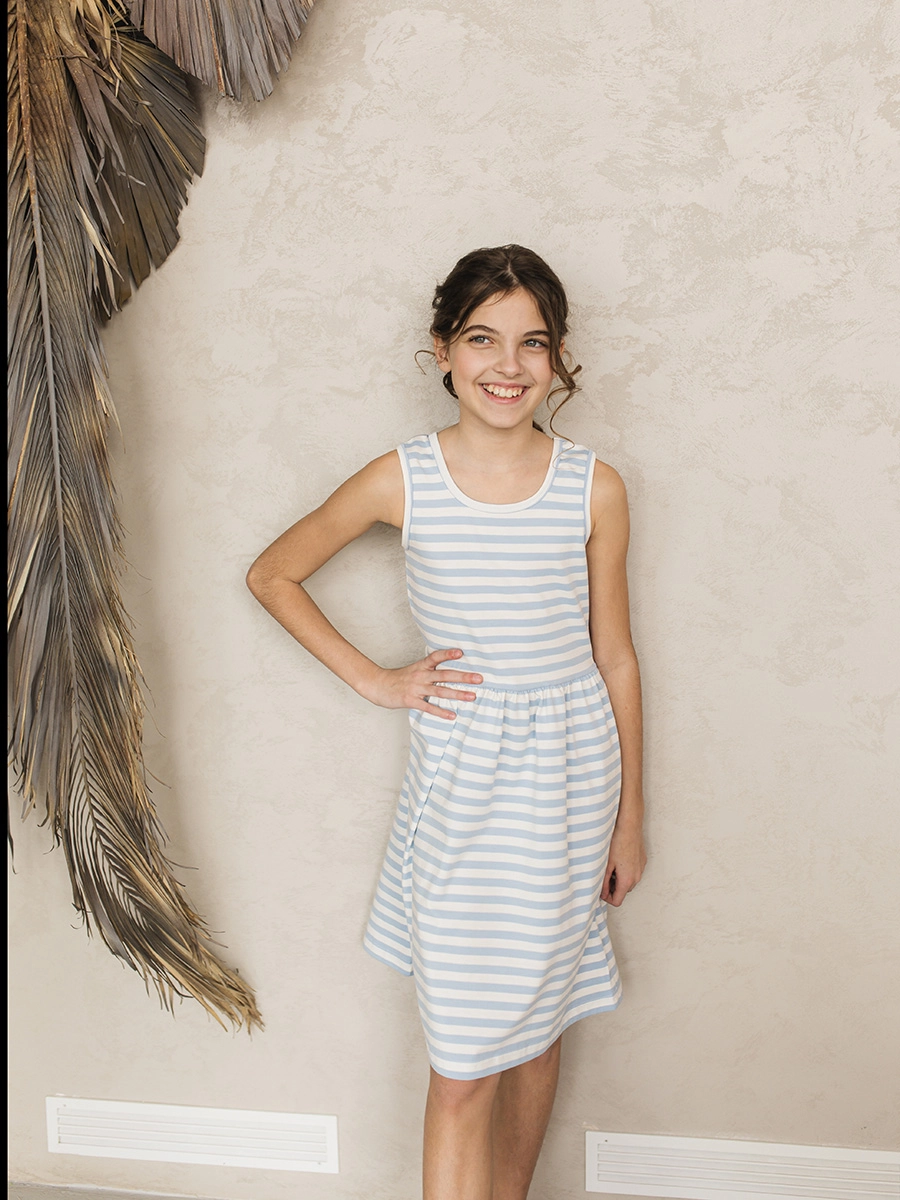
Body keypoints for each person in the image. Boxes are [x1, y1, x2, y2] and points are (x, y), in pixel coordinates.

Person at [247, 244, 646, 1200]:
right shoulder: (405, 478)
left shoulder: (594, 486)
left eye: (533, 343)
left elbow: (618, 658)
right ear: (442, 351)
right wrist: (377, 681)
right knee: (464, 1060)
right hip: (465, 785)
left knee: (539, 1024)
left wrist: (630, 819)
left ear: (559, 357)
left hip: (572, 780)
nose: (508, 365)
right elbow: (273, 572)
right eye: (482, 339)